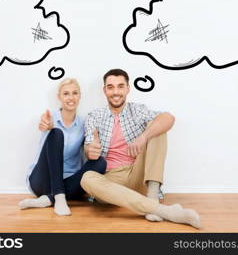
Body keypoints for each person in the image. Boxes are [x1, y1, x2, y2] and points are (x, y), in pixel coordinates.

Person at [81, 69, 200, 228]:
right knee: (86, 178)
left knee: (157, 127)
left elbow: (168, 118)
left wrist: (143, 137)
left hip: (138, 173)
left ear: (128, 89)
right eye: (110, 87)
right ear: (104, 90)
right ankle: (163, 210)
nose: (116, 92)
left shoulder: (137, 110)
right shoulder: (93, 116)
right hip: (112, 180)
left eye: (120, 86)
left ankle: (152, 196)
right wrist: (90, 149)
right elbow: (90, 143)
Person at [19, 78, 106, 216]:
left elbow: (90, 147)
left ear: (79, 96)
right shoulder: (50, 116)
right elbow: (45, 122)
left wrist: (92, 147)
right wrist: (46, 126)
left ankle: (48, 199)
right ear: (59, 97)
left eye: (74, 93)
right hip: (42, 180)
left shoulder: (84, 124)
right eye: (66, 94)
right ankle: (59, 197)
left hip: (69, 181)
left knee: (100, 163)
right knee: (57, 133)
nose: (71, 98)